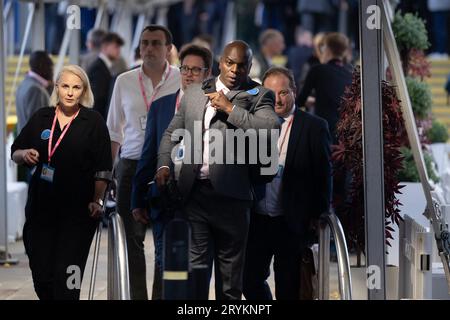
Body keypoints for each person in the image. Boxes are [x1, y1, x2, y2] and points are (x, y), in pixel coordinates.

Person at [155, 40, 280, 300]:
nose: (235, 70)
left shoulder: (259, 95)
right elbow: (170, 133)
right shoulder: (194, 93)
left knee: (230, 284)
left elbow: (269, 129)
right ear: (220, 62)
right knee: (197, 276)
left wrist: (230, 109)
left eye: (242, 65)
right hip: (195, 196)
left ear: (250, 66)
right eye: (229, 63)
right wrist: (165, 164)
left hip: (233, 200)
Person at [11, 65, 112, 300]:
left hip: (77, 214)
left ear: (83, 91)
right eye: (65, 86)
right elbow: (15, 151)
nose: (69, 92)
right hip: (41, 211)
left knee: (68, 279)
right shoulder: (42, 117)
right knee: (42, 276)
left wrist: (97, 199)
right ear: (56, 87)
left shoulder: (93, 121)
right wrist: (24, 153)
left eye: (76, 87)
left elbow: (103, 168)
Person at [131, 44, 212, 299]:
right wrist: (136, 200)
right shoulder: (161, 106)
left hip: (201, 202)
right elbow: (148, 155)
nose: (188, 75)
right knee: (168, 268)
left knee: (197, 273)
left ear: (207, 74)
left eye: (196, 70)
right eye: (185, 68)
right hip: (164, 201)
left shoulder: (214, 108)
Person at [242, 66, 332, 300]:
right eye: (271, 93)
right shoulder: (251, 124)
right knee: (249, 280)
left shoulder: (314, 127)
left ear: (294, 91)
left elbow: (323, 174)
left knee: (288, 284)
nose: (277, 99)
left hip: (291, 220)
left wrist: (318, 213)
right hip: (257, 219)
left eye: (283, 92)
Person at [106, 25, 180, 300]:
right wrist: (107, 174)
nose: (148, 48)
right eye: (144, 43)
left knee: (166, 239)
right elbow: (114, 130)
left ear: (168, 49)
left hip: (168, 167)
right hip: (131, 165)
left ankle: (162, 297)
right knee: (132, 241)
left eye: (156, 43)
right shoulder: (124, 81)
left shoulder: (181, 81)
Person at [297, 32, 353, 144]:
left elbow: (300, 101)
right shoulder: (350, 75)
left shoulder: (317, 70)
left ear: (326, 48)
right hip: (345, 133)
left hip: (323, 131)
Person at [87, 32, 124, 120]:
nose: (119, 50)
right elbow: (97, 100)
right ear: (104, 47)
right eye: (116, 47)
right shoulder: (98, 68)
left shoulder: (103, 66)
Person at [16, 51, 54, 133]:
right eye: (51, 67)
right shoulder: (36, 90)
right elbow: (38, 128)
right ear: (41, 66)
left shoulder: (24, 84)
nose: (52, 71)